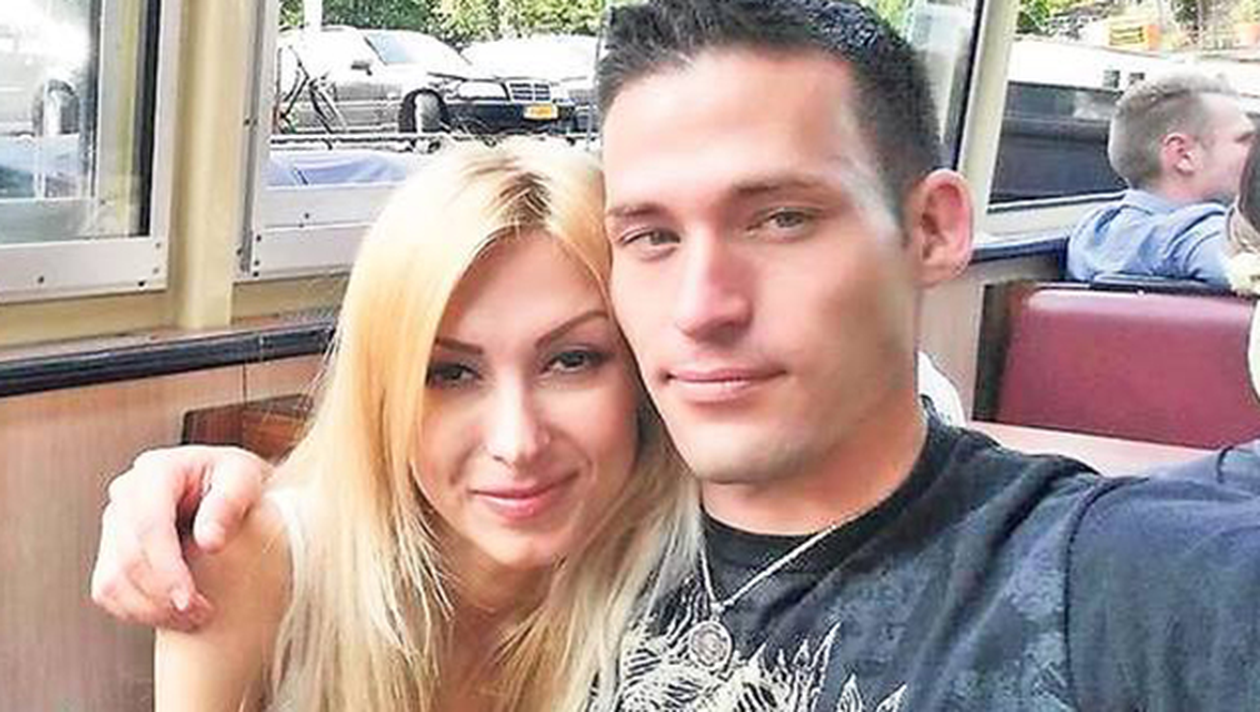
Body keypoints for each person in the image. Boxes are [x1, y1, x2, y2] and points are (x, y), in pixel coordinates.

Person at [94, 1, 1260, 709]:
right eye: (652, 235)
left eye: (781, 217)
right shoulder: (576, 527)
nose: (702, 307)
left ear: (934, 229)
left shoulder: (1106, 578)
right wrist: (198, 497)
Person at [144, 138, 696, 712]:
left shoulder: (706, 586)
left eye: (571, 360)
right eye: (450, 373)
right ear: (382, 393)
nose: (517, 443)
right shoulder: (247, 564)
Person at [1066, 72, 1256, 289]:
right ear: (1183, 155)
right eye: (1245, 140)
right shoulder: (1192, 234)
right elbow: (1246, 268)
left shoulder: (1093, 230)